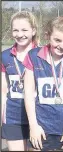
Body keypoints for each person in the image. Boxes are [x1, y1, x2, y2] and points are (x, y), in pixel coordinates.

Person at [22, 14, 63, 151]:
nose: (62, 46)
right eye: (57, 40)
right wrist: (33, 126)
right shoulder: (33, 56)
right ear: (48, 35)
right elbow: (28, 94)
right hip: (40, 128)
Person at [1, 11, 38, 151]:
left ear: (33, 31)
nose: (19, 34)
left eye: (24, 30)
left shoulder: (41, 54)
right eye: (15, 30)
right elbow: (3, 91)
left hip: (38, 115)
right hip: (13, 116)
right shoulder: (5, 56)